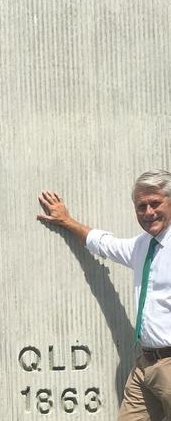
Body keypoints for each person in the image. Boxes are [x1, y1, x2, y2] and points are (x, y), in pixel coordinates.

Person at [37, 169, 171, 420]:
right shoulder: (143, 246)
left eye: (155, 203)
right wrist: (67, 221)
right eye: (142, 206)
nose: (149, 212)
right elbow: (105, 244)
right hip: (146, 364)